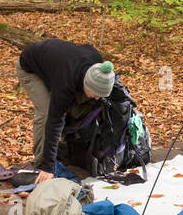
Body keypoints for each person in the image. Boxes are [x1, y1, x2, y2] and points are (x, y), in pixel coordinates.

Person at [17, 38, 116, 182]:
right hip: (30, 68)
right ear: (85, 84)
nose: (96, 98)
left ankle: (64, 148)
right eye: (94, 94)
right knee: (46, 113)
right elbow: (54, 122)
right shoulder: (65, 84)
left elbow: (87, 47)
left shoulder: (98, 68)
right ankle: (40, 163)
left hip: (55, 64)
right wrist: (48, 167)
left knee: (78, 106)